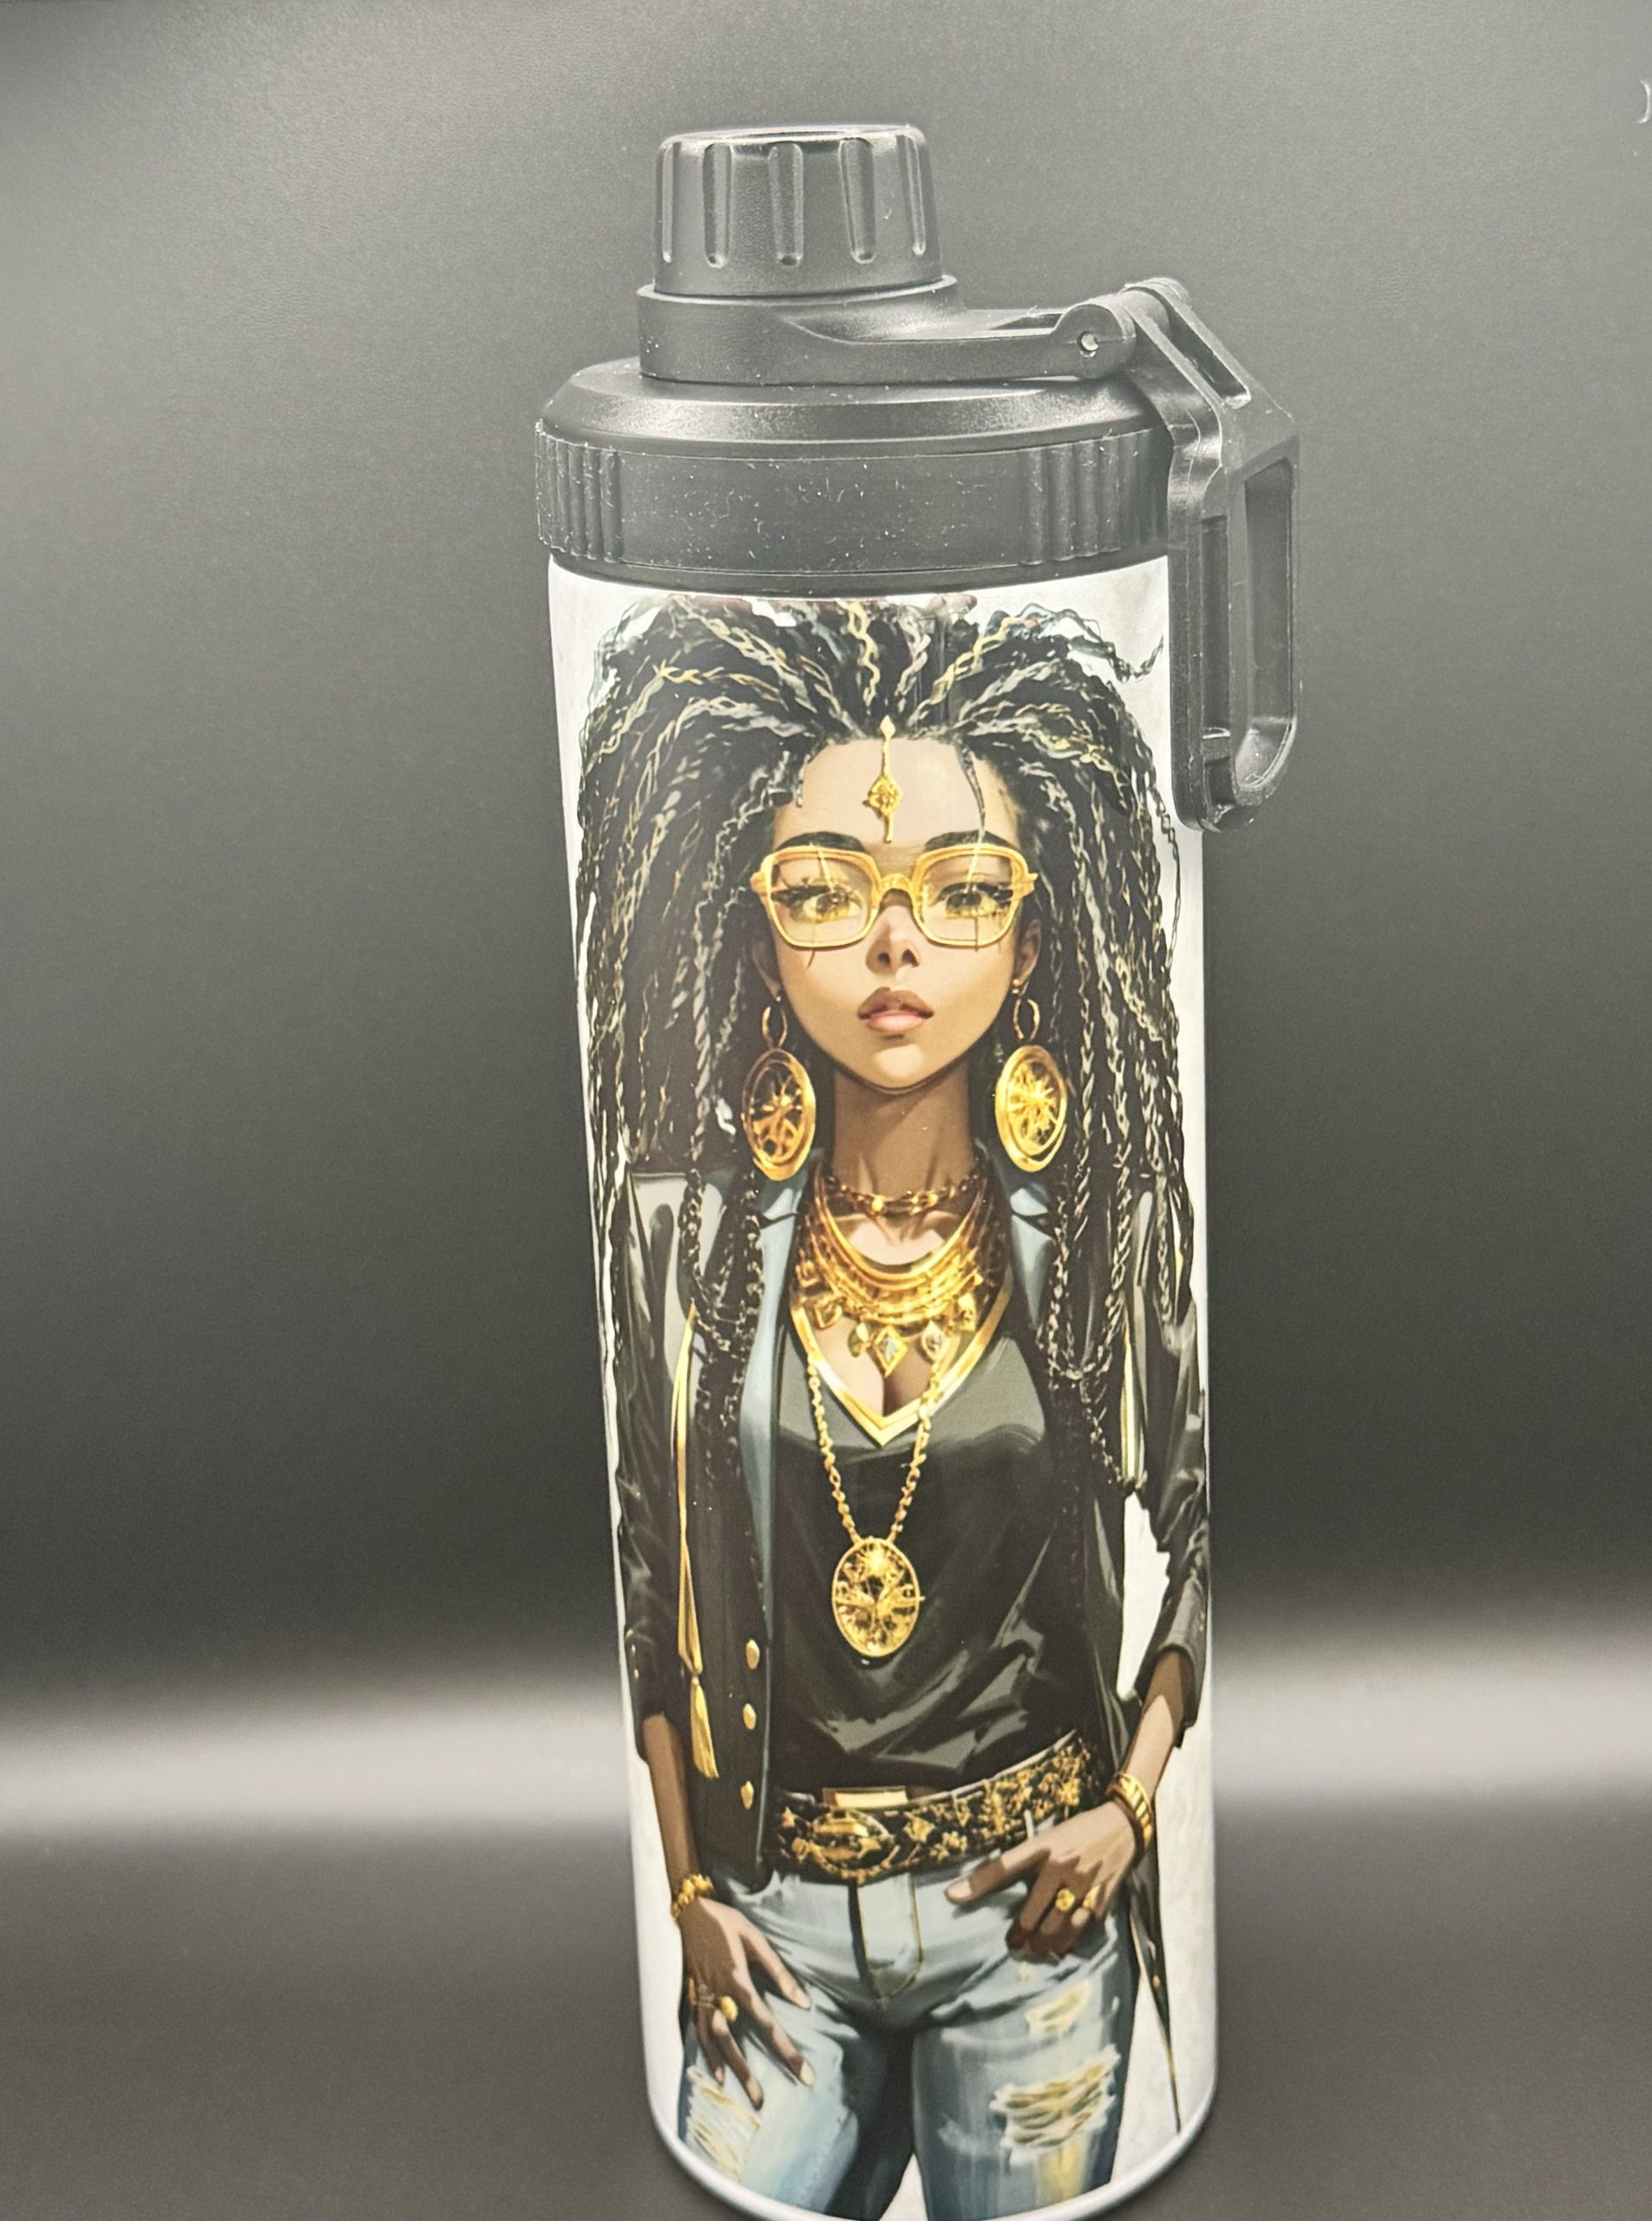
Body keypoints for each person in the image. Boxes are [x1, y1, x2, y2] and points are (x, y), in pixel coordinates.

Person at [573, 595, 1208, 2221]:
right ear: (758, 937)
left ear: (1031, 942)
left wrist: (1127, 1810)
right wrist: (688, 1887)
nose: (893, 947)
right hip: (769, 1924)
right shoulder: (677, 1238)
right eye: (825, 890)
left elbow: (1206, 1535)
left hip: (1035, 1930)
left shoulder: (1105, 1230)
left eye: (962, 889)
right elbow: (647, 1589)